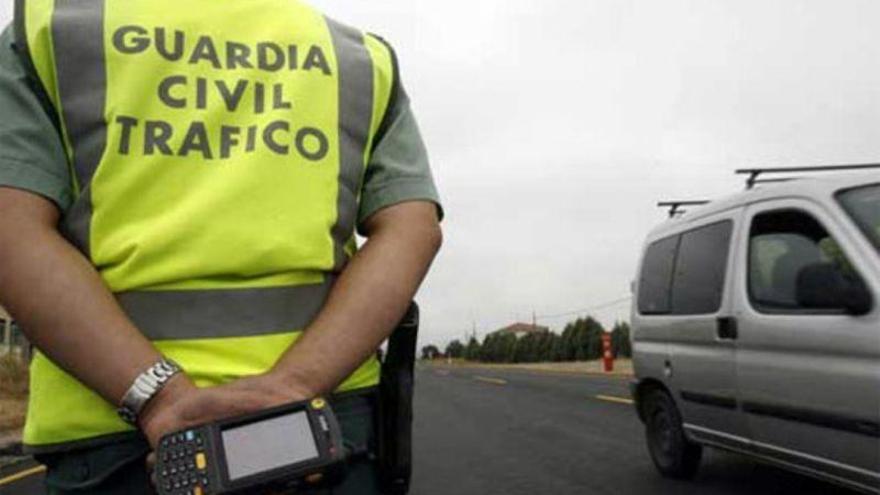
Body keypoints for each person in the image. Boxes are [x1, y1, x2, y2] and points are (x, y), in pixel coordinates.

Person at [0, 0, 442, 493]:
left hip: (119, 438)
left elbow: (11, 226)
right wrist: (295, 389)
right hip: (321, 425)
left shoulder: (52, 28)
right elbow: (412, 226)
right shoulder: (358, 57)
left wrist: (161, 399)